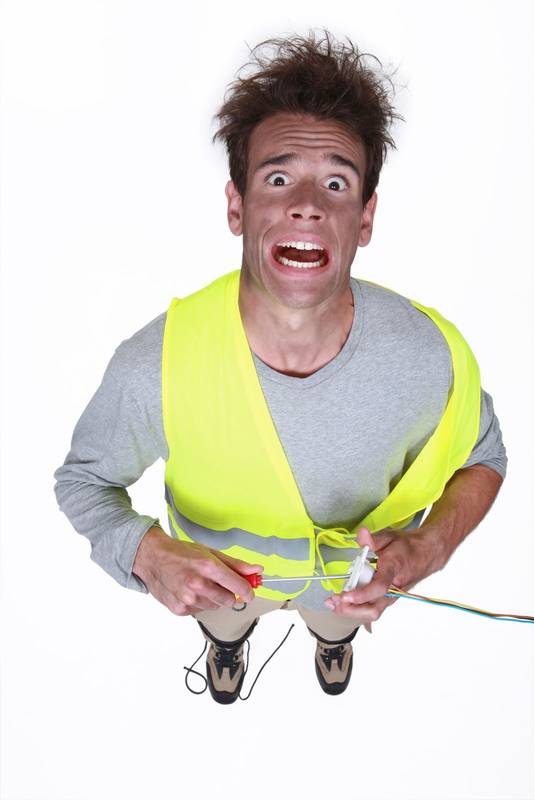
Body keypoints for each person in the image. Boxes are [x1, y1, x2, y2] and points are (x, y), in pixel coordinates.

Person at [53, 30, 507, 704]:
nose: (308, 203)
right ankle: (226, 644)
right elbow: (84, 482)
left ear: (365, 218)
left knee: (335, 621)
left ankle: (333, 641)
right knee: (226, 620)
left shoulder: (429, 355)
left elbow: (483, 458)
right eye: (277, 177)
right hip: (224, 586)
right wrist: (148, 553)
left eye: (336, 182)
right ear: (237, 206)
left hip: (346, 588)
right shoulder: (157, 363)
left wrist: (429, 548)